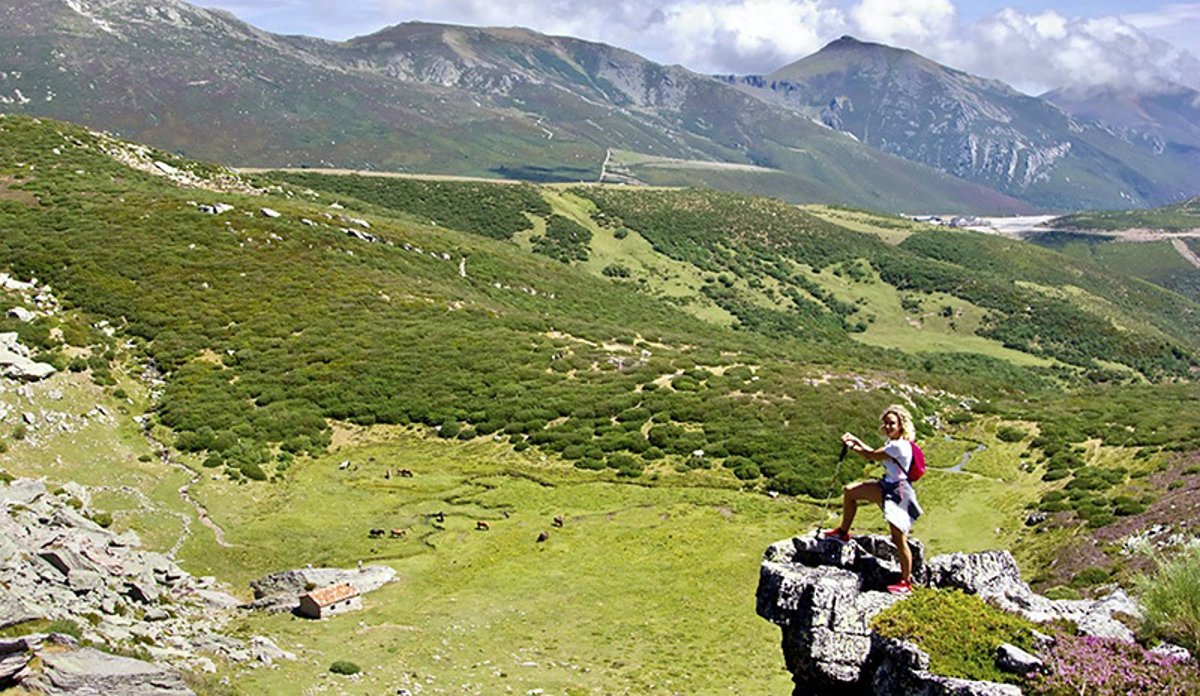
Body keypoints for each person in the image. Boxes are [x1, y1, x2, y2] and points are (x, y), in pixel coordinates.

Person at [823, 404, 923, 595]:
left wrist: (853, 445)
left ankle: (906, 582)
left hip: (897, 492)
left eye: (891, 423)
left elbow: (871, 456)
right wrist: (856, 441)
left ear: (901, 424)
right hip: (888, 486)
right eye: (885, 423)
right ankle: (842, 532)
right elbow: (874, 453)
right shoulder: (896, 443)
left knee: (899, 539)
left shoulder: (898, 446)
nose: (888, 426)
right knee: (850, 492)